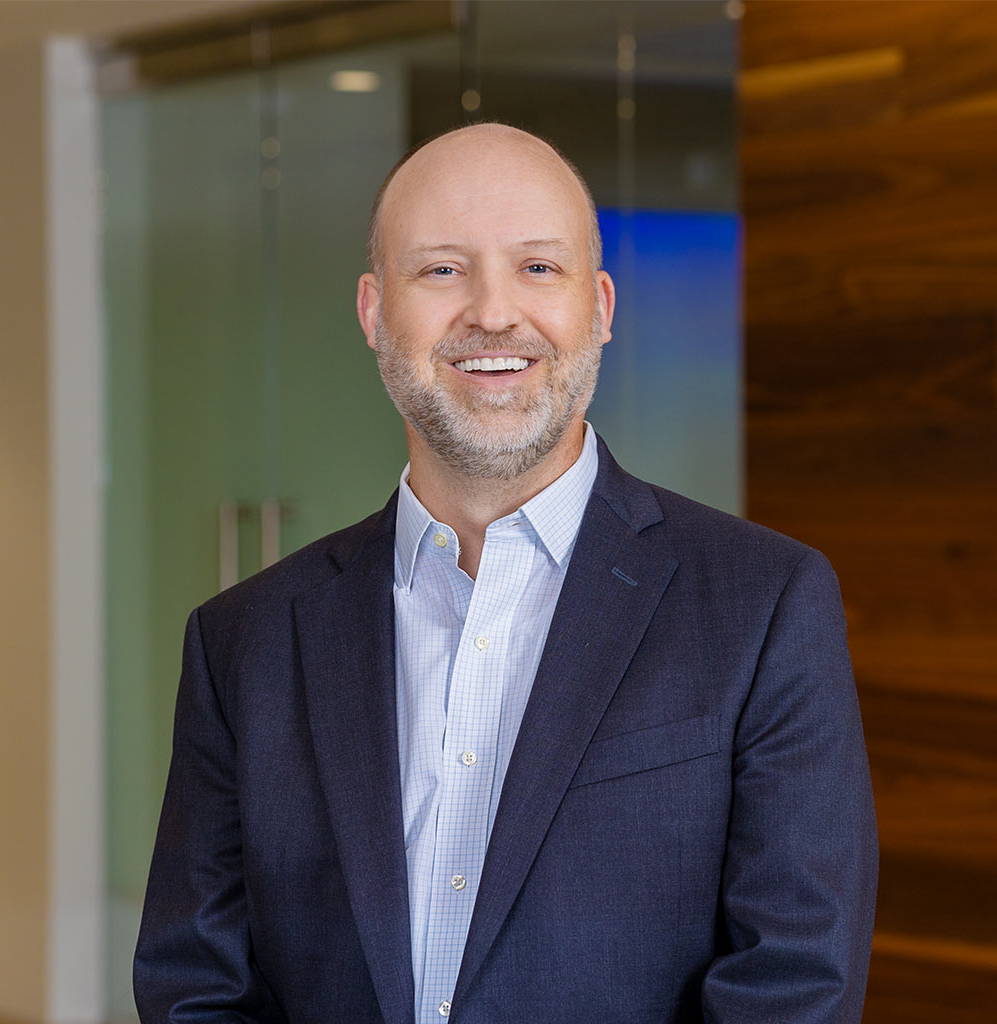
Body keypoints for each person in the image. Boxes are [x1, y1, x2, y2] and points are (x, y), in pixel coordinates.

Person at [134, 123, 877, 1024]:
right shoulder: (241, 641)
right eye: (442, 269)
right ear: (374, 312)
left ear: (599, 307)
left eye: (538, 267)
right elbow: (197, 988)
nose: (492, 312)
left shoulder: (764, 607)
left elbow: (794, 987)